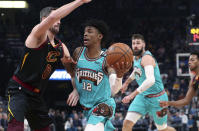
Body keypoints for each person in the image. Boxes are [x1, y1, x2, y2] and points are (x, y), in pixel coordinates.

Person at [6, 0, 91, 131]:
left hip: (36, 95)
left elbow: (72, 72)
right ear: (44, 20)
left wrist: (75, 89)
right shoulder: (37, 35)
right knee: (16, 128)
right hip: (19, 89)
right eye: (57, 18)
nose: (59, 21)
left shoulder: (61, 48)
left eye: (60, 20)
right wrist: (80, 1)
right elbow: (53, 17)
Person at [62, 19, 129, 131]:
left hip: (104, 105)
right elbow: (73, 74)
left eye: (89, 31)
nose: (85, 34)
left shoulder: (108, 57)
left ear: (99, 36)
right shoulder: (78, 53)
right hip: (87, 109)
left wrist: (119, 76)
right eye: (84, 32)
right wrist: (75, 89)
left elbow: (113, 87)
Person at [121, 34, 176, 131]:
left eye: (138, 43)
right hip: (142, 97)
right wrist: (126, 82)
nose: (135, 45)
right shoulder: (135, 58)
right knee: (126, 124)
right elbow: (136, 71)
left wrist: (131, 95)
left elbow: (150, 80)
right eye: (133, 43)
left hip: (158, 99)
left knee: (162, 128)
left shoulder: (147, 58)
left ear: (143, 45)